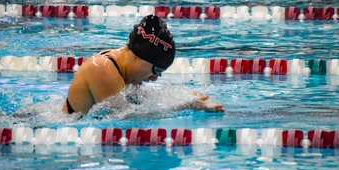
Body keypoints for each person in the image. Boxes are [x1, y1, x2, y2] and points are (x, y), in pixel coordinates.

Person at [62, 14, 224, 115]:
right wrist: (183, 107)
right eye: (157, 69)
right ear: (141, 57)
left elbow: (143, 104)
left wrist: (184, 97)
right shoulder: (104, 68)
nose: (154, 78)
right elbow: (126, 119)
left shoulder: (120, 68)